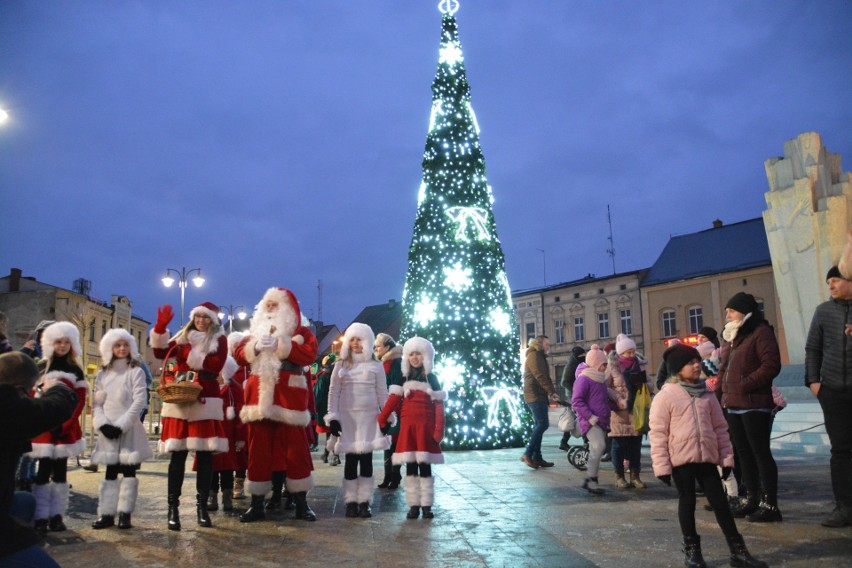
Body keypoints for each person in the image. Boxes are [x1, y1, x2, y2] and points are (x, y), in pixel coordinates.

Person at [650, 343, 767, 568]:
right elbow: (658, 433)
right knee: (687, 502)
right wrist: (662, 467)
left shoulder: (707, 393)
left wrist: (726, 460)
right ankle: (693, 551)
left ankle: (738, 551)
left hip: (707, 459)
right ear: (677, 369)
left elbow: (720, 429)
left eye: (697, 361)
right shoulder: (666, 396)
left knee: (721, 504)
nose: (696, 365)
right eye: (690, 362)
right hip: (681, 461)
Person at [234, 287, 319, 523]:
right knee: (258, 453)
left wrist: (283, 344)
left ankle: (302, 503)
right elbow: (239, 354)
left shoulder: (300, 332)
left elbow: (310, 355)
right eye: (267, 305)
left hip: (288, 399)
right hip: (259, 399)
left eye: (275, 305)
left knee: (296, 453)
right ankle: (257, 503)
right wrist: (257, 347)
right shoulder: (254, 332)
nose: (270, 309)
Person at [150, 302, 229, 531]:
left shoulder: (219, 340)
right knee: (178, 456)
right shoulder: (183, 336)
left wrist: (193, 352)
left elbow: (215, 365)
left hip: (205, 398)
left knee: (204, 456)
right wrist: (160, 329)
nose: (201, 321)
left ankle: (202, 508)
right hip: (181, 397)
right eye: (198, 317)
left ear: (213, 320)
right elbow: (160, 353)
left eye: (206, 318)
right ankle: (172, 508)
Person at [1, 352, 78, 568]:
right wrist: (56, 387)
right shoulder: (7, 407)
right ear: (19, 389)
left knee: (25, 501)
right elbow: (57, 408)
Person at [717, 292, 782, 522]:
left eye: (731, 310)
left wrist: (745, 384)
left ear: (745, 311)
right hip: (733, 403)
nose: (728, 314)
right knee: (743, 454)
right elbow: (724, 368)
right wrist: (721, 394)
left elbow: (771, 364)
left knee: (760, 453)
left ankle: (770, 504)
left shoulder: (760, 332)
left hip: (754, 404)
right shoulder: (734, 335)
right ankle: (751, 498)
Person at [89, 329, 153, 530]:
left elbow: (139, 401)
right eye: (117, 345)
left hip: (129, 429)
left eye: (125, 345)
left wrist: (122, 424)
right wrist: (103, 424)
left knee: (128, 472)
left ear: (131, 348)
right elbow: (97, 403)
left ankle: (125, 514)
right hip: (108, 429)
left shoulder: (136, 371)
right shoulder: (103, 373)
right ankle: (107, 513)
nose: (122, 348)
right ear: (110, 348)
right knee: (109, 472)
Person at [29, 322, 89, 535]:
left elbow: (79, 402)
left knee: (61, 473)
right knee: (42, 473)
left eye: (67, 342)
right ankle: (40, 516)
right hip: (44, 429)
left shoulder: (76, 370)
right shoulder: (41, 367)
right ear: (50, 343)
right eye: (59, 341)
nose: (63, 345)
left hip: (65, 429)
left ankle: (56, 516)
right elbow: (32, 397)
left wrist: (65, 425)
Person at [325, 323, 389, 518]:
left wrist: (386, 417)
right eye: (351, 339)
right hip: (348, 418)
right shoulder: (340, 365)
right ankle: (351, 502)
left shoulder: (376, 366)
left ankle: (364, 501)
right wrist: (333, 416)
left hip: (369, 418)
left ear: (367, 341)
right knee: (351, 461)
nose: (355, 343)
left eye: (358, 340)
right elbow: (334, 392)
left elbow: (382, 393)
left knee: (367, 461)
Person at [805, 265, 852, 527]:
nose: (831, 286)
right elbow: (813, 348)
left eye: (836, 280)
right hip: (832, 390)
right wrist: (813, 381)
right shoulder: (823, 311)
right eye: (829, 282)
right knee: (840, 450)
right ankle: (844, 506)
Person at [378, 337, 445, 519]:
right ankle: (414, 505)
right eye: (412, 354)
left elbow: (439, 405)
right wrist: (382, 418)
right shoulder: (403, 378)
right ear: (407, 356)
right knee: (411, 467)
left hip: (425, 429)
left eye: (419, 354)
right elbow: (393, 400)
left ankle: (426, 505)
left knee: (425, 467)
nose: (415, 358)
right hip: (408, 430)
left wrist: (439, 430)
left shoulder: (431, 378)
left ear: (426, 356)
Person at [196, 355, 245, 515]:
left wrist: (240, 436)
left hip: (228, 436)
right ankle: (212, 496)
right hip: (211, 433)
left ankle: (227, 496)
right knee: (211, 467)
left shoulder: (234, 390)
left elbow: (240, 415)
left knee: (227, 468)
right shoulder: (206, 388)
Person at [606, 333, 652, 490]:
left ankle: (635, 476)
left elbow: (651, 384)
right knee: (618, 446)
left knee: (635, 446)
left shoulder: (640, 365)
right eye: (628, 352)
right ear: (620, 353)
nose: (632, 355)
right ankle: (619, 476)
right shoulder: (612, 367)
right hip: (620, 413)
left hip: (637, 412)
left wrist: (644, 386)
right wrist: (618, 398)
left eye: (633, 351)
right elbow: (605, 388)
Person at [571, 345, 617, 495]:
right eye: (604, 364)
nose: (605, 367)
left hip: (600, 420)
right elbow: (576, 401)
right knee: (599, 446)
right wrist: (590, 417)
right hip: (590, 420)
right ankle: (591, 480)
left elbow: (603, 401)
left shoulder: (600, 380)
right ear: (597, 363)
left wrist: (616, 406)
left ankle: (591, 480)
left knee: (596, 448)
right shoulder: (584, 379)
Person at [521, 335, 560, 469]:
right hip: (534, 395)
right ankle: (528, 453)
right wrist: (551, 392)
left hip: (538, 395)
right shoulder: (534, 356)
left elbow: (546, 377)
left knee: (540, 424)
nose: (548, 346)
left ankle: (537, 457)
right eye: (546, 344)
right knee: (543, 424)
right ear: (539, 344)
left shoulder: (539, 357)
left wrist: (552, 392)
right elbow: (540, 376)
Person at [374, 332, 403, 489]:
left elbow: (396, 390)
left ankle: (394, 477)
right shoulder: (385, 363)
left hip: (395, 410)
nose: (376, 349)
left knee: (394, 444)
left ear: (388, 347)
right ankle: (388, 477)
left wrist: (390, 410)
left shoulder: (396, 363)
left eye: (379, 346)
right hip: (386, 409)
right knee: (388, 444)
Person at [227, 332, 249, 500]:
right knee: (229, 451)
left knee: (242, 452)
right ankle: (228, 485)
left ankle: (239, 482)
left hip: (246, 414)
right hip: (228, 414)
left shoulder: (248, 368)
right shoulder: (225, 368)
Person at [314, 353, 339, 465]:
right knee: (333, 432)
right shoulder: (339, 376)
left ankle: (331, 455)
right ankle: (331, 455)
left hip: (325, 408)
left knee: (330, 433)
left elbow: (318, 394)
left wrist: (316, 407)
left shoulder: (323, 377)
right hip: (337, 407)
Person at [559, 346, 585, 451]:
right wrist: (575, 390)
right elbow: (564, 382)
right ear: (576, 356)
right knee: (580, 415)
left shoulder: (579, 364)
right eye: (581, 356)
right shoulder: (570, 366)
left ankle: (564, 442)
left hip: (577, 394)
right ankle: (586, 441)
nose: (583, 358)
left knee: (576, 417)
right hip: (572, 395)